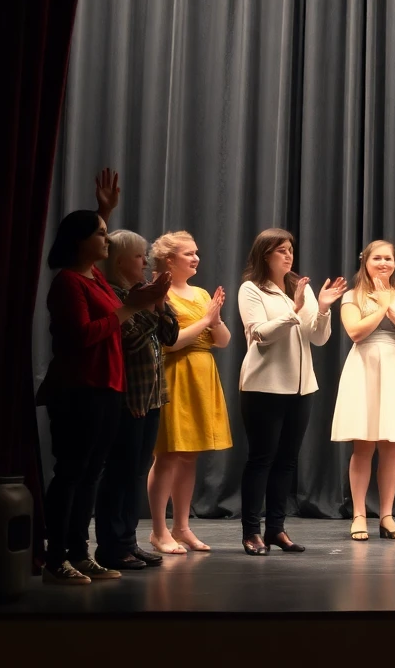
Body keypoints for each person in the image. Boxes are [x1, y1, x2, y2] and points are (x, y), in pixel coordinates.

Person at [38, 194, 169, 584]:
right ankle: (56, 558)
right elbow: (81, 336)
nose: (108, 240)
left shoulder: (93, 277)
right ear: (81, 242)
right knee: (72, 474)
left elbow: (112, 315)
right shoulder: (68, 282)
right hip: (79, 390)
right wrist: (132, 308)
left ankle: (80, 553)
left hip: (109, 389)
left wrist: (104, 211)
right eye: (100, 234)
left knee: (92, 474)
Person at [237, 229, 346, 555]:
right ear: (264, 254)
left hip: (301, 388)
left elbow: (318, 338)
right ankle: (251, 532)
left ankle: (276, 530)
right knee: (261, 459)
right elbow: (260, 334)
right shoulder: (251, 289)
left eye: (290, 250)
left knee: (286, 461)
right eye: (280, 250)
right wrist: (295, 310)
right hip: (263, 386)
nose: (288, 255)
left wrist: (323, 308)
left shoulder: (300, 288)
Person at [95, 228, 179, 571]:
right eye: (139, 256)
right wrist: (145, 305)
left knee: (137, 471)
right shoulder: (114, 295)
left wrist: (159, 303)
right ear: (119, 262)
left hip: (152, 397)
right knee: (120, 473)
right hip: (128, 397)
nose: (146, 262)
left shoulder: (143, 293)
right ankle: (112, 546)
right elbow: (127, 339)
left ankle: (129, 541)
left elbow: (170, 336)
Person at [332, 240, 395, 541]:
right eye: (378, 258)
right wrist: (382, 306)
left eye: (388, 258)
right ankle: (359, 514)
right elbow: (355, 332)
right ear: (366, 262)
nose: (384, 263)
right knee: (363, 445)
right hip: (364, 365)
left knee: (391, 445)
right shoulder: (352, 296)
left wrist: (391, 305)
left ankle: (386, 516)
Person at [147, 231, 232, 554]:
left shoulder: (199, 293)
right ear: (169, 260)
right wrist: (206, 321)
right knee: (167, 455)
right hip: (174, 375)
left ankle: (181, 527)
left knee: (189, 456)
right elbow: (171, 341)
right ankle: (158, 531)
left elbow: (222, 341)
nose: (196, 258)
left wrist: (216, 319)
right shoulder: (159, 292)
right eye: (188, 254)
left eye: (196, 252)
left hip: (201, 375)